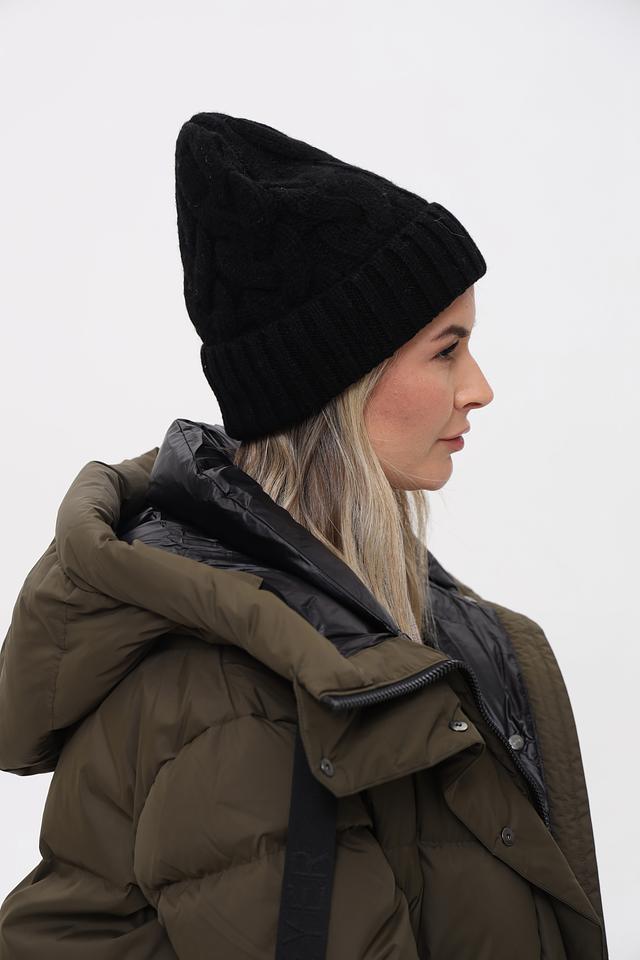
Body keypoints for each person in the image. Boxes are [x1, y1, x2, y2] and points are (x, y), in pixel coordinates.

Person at [0, 113, 608, 959]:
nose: (479, 388)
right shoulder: (230, 700)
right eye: (446, 350)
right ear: (342, 387)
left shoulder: (382, 631)